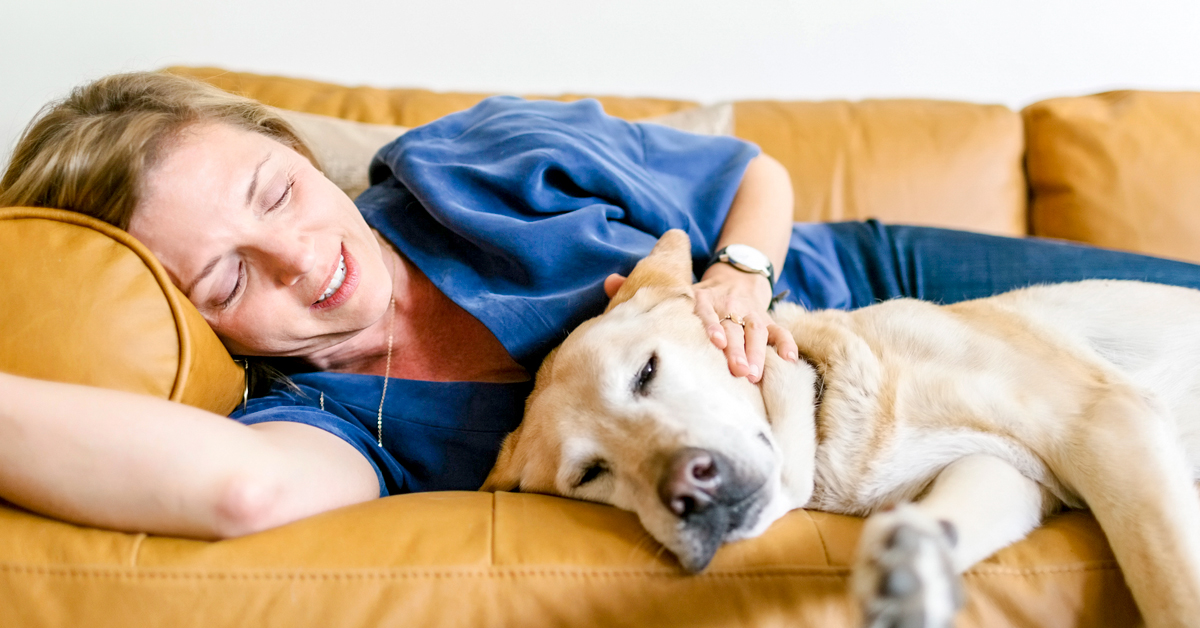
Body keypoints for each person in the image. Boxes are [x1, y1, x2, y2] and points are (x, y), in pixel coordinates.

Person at [4, 71, 1200, 540]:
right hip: (846, 455)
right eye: (227, 280)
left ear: (301, 155)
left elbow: (749, 179)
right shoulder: (332, 417)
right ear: (197, 321)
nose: (298, 259)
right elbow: (240, 490)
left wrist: (740, 273)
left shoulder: (474, 160)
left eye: (276, 193)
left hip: (876, 282)